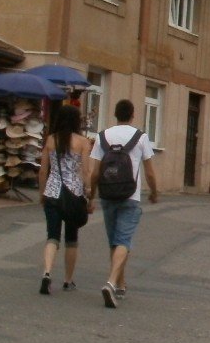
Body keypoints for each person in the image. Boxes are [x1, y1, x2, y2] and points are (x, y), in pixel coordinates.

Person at [87, 99, 158, 309]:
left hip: (108, 195)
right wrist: (154, 192)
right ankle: (110, 282)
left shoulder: (102, 136)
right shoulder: (141, 137)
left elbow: (95, 173)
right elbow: (150, 172)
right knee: (123, 241)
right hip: (130, 196)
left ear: (115, 115)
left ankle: (120, 284)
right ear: (132, 115)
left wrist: (91, 196)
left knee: (115, 242)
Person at [36, 104, 92, 295]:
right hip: (73, 194)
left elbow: (43, 170)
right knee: (71, 238)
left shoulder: (51, 140)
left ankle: (46, 272)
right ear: (77, 121)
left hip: (52, 192)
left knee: (52, 236)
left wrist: (42, 193)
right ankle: (68, 280)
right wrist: (89, 193)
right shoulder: (83, 142)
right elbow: (85, 171)